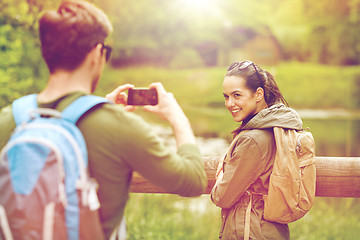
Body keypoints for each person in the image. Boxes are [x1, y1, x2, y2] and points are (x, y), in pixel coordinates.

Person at [0, 1, 207, 239]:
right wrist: (176, 117)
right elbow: (193, 180)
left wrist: (97, 106)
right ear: (96, 53)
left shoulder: (9, 119)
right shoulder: (119, 126)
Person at [210, 60, 303, 239]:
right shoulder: (277, 128)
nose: (230, 103)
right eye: (226, 96)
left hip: (249, 231)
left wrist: (221, 175)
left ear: (258, 94)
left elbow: (222, 197)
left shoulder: (253, 140)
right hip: (269, 230)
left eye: (237, 95)